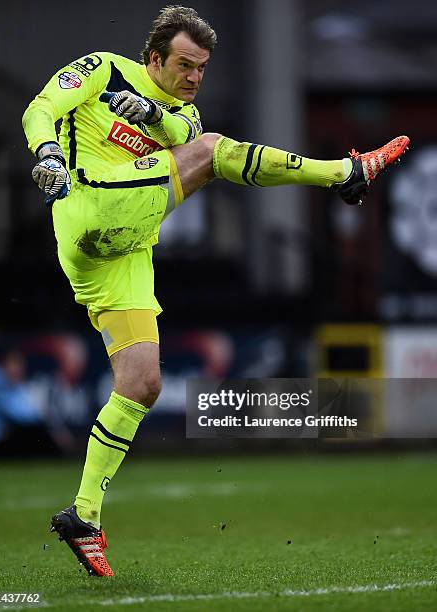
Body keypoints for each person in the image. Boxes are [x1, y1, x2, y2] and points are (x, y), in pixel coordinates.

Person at [22, 5, 409, 577]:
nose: (194, 76)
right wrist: (48, 151)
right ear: (153, 57)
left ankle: (84, 515)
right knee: (213, 154)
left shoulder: (179, 110)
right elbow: (42, 107)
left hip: (122, 252)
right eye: (184, 64)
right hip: (87, 205)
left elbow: (184, 129)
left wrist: (155, 111)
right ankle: (342, 175)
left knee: (142, 383)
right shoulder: (102, 69)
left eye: (202, 68)